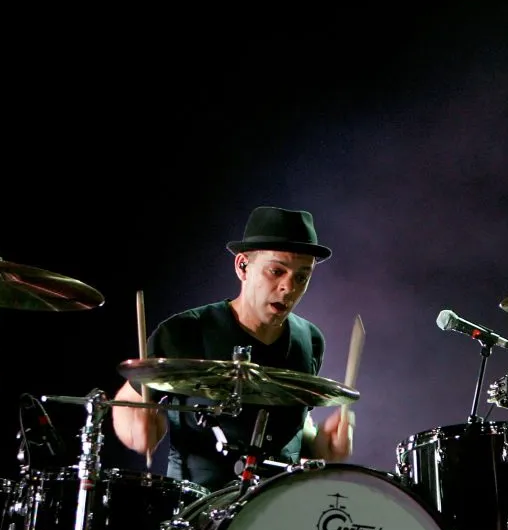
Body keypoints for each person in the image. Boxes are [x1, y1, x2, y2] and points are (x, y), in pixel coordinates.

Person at [111, 205, 354, 493]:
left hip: (278, 501)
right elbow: (128, 402)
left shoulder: (309, 340)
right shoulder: (185, 330)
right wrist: (137, 429)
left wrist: (319, 443)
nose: (288, 287)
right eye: (276, 271)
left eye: (302, 276)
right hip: (200, 505)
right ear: (242, 266)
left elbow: (298, 420)